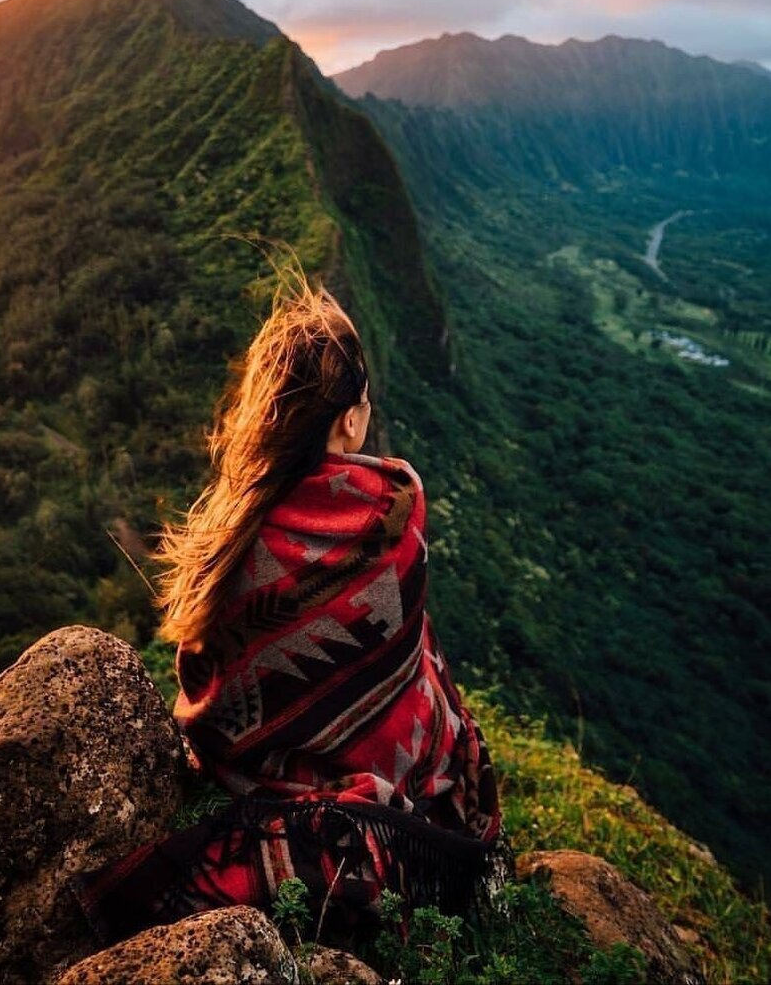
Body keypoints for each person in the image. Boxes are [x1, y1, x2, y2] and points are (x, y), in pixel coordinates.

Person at [69, 266, 510, 946]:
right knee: (419, 649)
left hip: (250, 768)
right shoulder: (394, 505)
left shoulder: (228, 530)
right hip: (398, 790)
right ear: (351, 416)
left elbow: (207, 687)